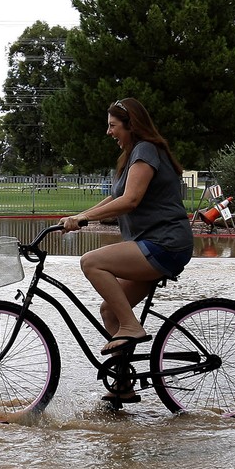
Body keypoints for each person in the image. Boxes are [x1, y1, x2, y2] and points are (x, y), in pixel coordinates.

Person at [59, 98, 193, 378]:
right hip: (150, 244)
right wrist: (78, 217)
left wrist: (83, 219)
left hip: (164, 244)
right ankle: (123, 383)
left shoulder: (146, 150)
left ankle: (132, 327)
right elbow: (116, 197)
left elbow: (130, 200)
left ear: (131, 125)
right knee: (110, 311)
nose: (109, 132)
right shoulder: (134, 153)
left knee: (91, 262)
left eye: (113, 126)